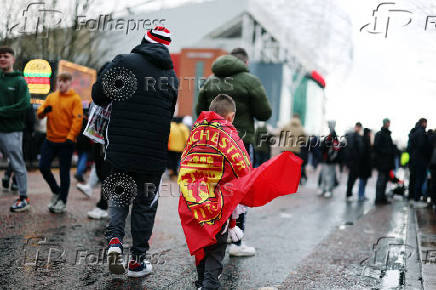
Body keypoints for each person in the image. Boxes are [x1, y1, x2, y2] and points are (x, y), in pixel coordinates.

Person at [92, 26, 178, 277]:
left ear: (144, 42)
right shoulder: (171, 76)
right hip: (153, 153)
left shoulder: (124, 62)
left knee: (119, 196)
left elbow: (98, 96)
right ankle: (137, 261)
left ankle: (115, 242)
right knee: (144, 204)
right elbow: (169, 112)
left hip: (120, 148)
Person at [196, 47, 272, 257]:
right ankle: (236, 242)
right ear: (245, 63)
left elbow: (199, 111)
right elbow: (265, 112)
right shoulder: (250, 81)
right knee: (240, 190)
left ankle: (207, 238)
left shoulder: (210, 80)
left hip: (212, 144)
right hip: (240, 144)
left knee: (211, 188)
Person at [179, 94, 248, 289]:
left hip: (192, 200)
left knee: (200, 240)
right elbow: (242, 168)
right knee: (217, 246)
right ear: (231, 116)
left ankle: (201, 281)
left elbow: (184, 162)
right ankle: (209, 283)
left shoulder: (196, 131)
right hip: (218, 202)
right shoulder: (230, 135)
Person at [37, 72, 83, 213]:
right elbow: (39, 113)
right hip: (50, 139)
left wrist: (71, 137)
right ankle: (56, 191)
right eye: (59, 81)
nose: (61, 84)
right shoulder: (52, 97)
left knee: (64, 172)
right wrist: (44, 110)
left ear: (70, 83)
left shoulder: (75, 99)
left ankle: (62, 201)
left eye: (64, 81)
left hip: (66, 141)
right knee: (43, 166)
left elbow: (77, 119)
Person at [0, 46, 31, 212]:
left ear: (12, 59)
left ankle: (24, 198)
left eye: (6, 56)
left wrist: (2, 112)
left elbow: (23, 105)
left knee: (17, 163)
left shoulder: (19, 81)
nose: (2, 59)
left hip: (12, 130)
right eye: (0, 57)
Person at [408, 118, 431, 207]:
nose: (426, 124)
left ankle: (412, 198)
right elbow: (422, 146)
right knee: (419, 179)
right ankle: (416, 199)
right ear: (423, 123)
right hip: (420, 160)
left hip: (414, 160)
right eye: (426, 122)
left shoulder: (414, 132)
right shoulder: (421, 133)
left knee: (414, 179)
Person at [281, 114, 308, 184]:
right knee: (293, 167)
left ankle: (284, 180)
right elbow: (306, 138)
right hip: (296, 150)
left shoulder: (287, 125)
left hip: (286, 149)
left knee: (285, 166)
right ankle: (292, 181)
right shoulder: (300, 127)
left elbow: (280, 133)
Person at [373, 118, 395, 204]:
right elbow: (377, 147)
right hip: (382, 162)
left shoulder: (387, 134)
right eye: (388, 123)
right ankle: (379, 199)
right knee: (381, 181)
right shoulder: (380, 134)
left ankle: (382, 198)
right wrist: (387, 152)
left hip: (387, 162)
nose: (389, 124)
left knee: (384, 181)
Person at [319, 122, 341, 197]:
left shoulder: (333, 138)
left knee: (329, 175)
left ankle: (327, 189)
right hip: (327, 159)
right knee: (325, 175)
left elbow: (336, 149)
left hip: (330, 160)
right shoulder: (329, 138)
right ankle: (324, 188)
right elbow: (323, 147)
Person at [358, 128, 372, 201]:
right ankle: (361, 195)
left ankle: (362, 195)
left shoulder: (365, 140)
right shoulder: (365, 140)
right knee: (362, 180)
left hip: (364, 165)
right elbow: (363, 153)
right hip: (364, 165)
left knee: (363, 180)